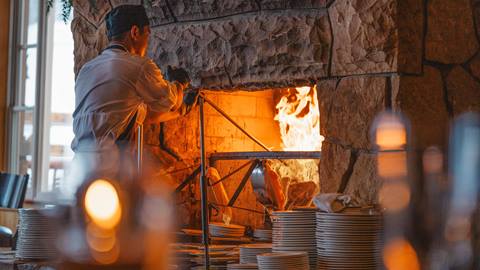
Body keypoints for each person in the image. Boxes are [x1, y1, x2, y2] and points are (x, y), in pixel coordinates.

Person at [68, 5, 196, 192]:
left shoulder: (87, 69)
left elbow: (142, 116)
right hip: (107, 171)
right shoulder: (137, 66)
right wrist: (179, 83)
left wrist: (182, 111)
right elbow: (171, 101)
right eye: (148, 34)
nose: (147, 42)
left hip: (79, 169)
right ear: (135, 32)